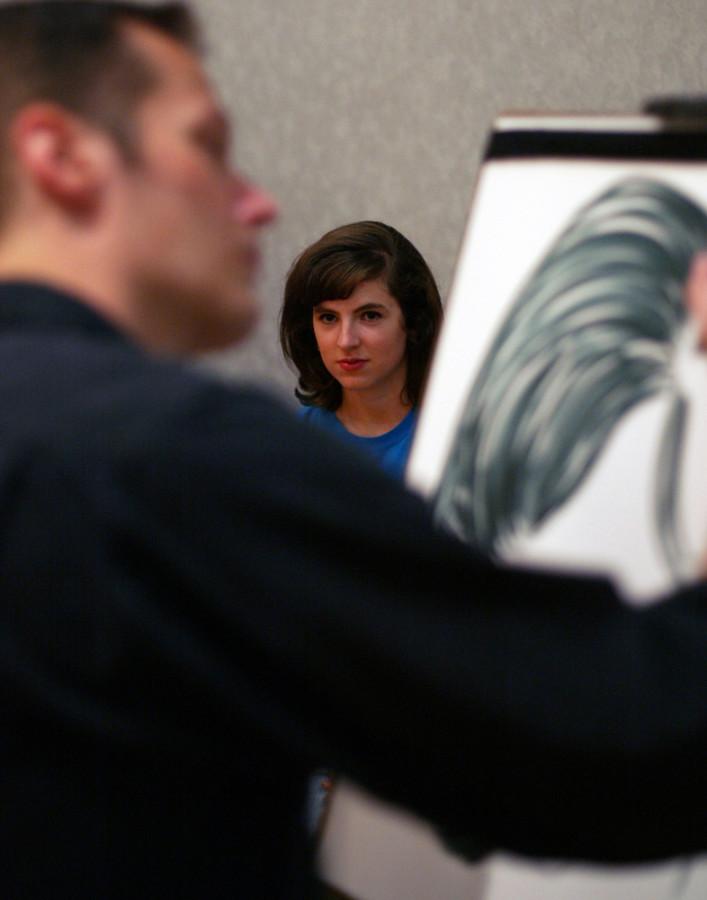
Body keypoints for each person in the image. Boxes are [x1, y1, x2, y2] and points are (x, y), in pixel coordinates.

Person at [0, 3, 706, 898]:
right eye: (208, 143)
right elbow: (619, 741)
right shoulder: (168, 456)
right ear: (60, 156)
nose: (259, 200)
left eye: (369, 313)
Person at [280, 221, 442, 480]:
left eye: (369, 315)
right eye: (329, 318)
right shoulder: (294, 443)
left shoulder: (453, 440)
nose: (346, 341)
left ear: (414, 322)